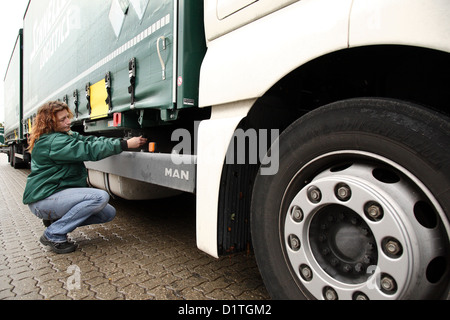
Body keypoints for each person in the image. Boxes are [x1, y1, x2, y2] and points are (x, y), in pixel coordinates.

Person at [23, 101, 147, 254]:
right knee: (99, 197)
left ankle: (57, 222)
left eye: (67, 117)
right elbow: (88, 149)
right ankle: (53, 234)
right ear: (50, 122)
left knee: (108, 213)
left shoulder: (64, 135)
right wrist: (124, 145)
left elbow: (90, 141)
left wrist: (119, 142)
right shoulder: (53, 142)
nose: (68, 121)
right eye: (62, 119)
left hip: (55, 194)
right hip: (43, 199)